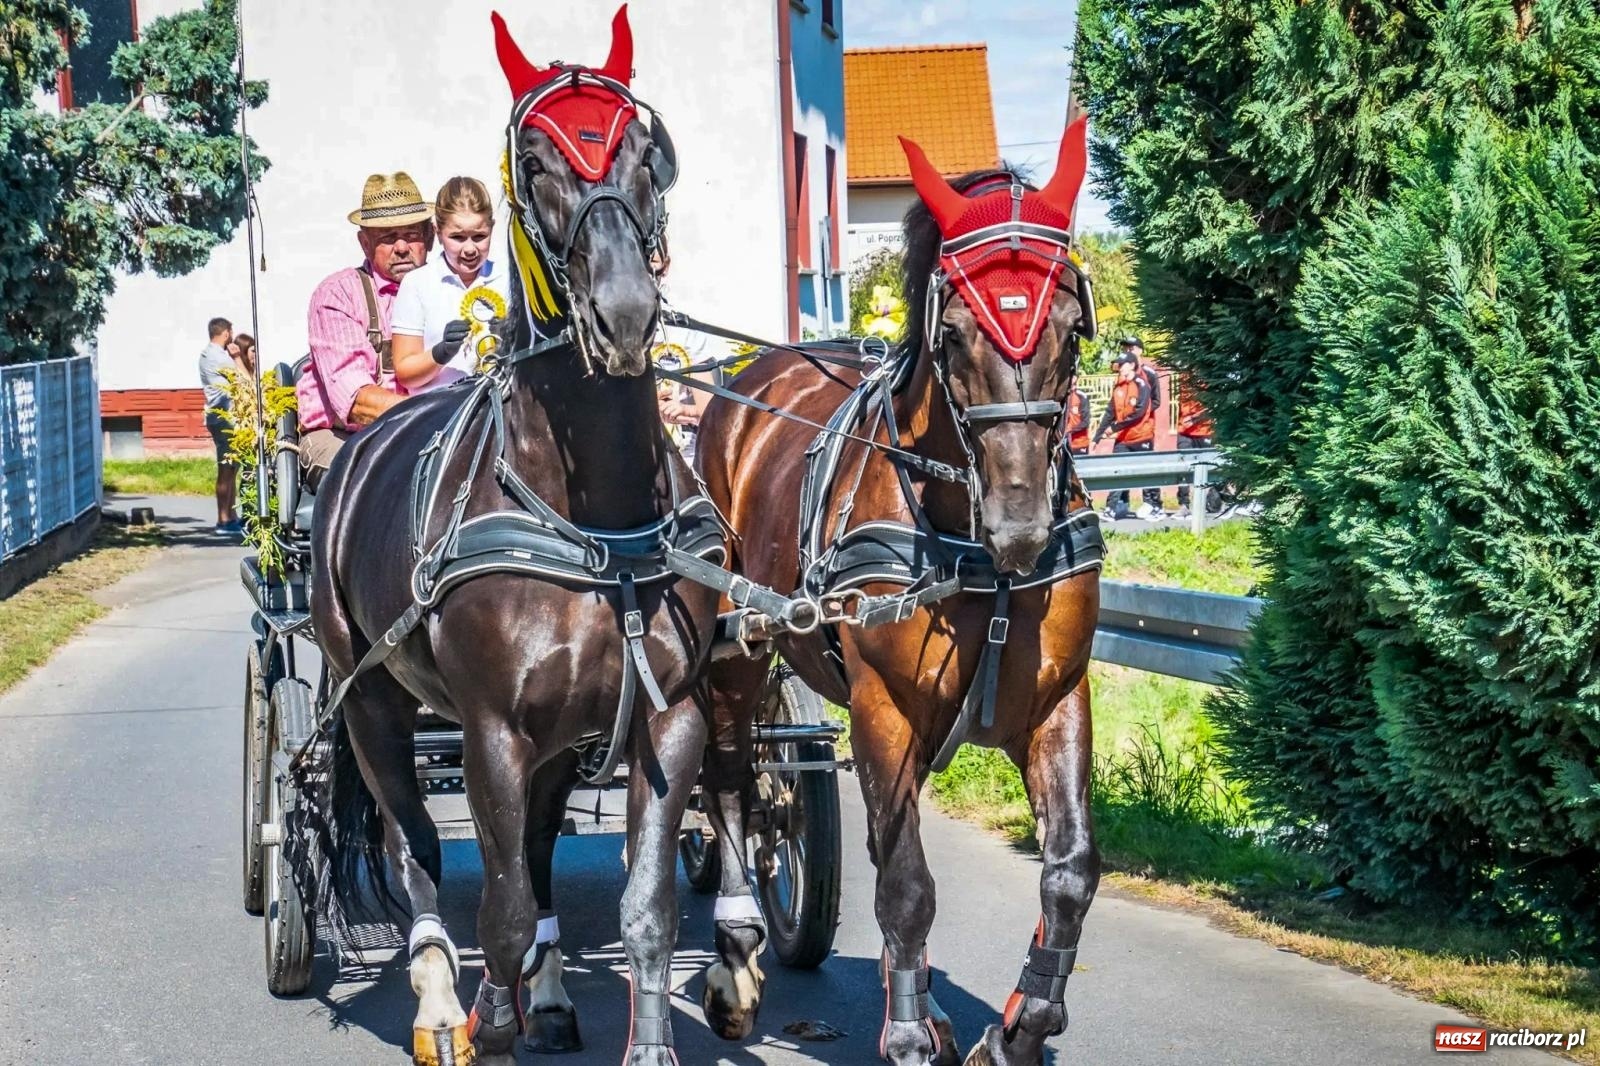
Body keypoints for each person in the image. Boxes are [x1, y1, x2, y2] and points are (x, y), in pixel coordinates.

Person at [297, 172, 435, 490]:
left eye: (411, 234)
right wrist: (438, 415)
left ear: (430, 236)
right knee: (375, 487)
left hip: (434, 432)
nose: (401, 247)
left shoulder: (452, 292)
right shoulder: (338, 294)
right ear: (365, 242)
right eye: (387, 237)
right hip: (344, 436)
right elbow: (357, 403)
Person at [392, 177, 510, 393]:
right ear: (437, 233)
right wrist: (441, 352)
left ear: (492, 228)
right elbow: (406, 374)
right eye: (458, 237)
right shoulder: (417, 284)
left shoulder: (509, 276)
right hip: (440, 411)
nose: (470, 248)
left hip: (502, 401)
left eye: (479, 236)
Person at [1092, 351, 1157, 521]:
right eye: (1118, 364)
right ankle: (1112, 508)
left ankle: (1153, 506)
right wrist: (1096, 437)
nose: (1119, 367)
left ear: (1132, 366)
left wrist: (1114, 428)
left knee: (1145, 473)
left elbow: (1138, 413)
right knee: (1116, 471)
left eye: (1122, 364)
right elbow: (1109, 412)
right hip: (1123, 438)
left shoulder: (1142, 385)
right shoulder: (1118, 386)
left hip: (1141, 436)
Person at [199, 316, 242, 534]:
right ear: (226, 333)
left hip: (220, 416)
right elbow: (241, 377)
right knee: (226, 469)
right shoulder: (220, 358)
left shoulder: (207, 354)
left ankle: (231, 515)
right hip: (223, 417)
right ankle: (223, 519)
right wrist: (237, 356)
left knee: (231, 468)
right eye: (231, 332)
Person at [1120, 336, 1165, 516]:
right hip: (1124, 432)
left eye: (1132, 348)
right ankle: (1122, 502)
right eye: (1126, 348)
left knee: (1146, 466)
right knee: (1119, 466)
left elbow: (1156, 401)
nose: (1128, 351)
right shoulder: (1122, 374)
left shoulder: (1149, 373)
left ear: (1140, 350)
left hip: (1144, 430)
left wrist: (1140, 414)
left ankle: (1153, 503)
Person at [1174, 373, 1221, 518]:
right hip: (1185, 431)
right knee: (1183, 467)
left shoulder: (1209, 373)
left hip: (1205, 430)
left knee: (1211, 468)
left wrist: (1194, 418)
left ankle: (1214, 500)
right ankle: (1184, 505)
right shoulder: (1183, 377)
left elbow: (1215, 403)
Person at [1065, 385, 1092, 456]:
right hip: (1064, 443)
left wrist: (1070, 430)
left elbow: (1086, 422)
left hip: (1079, 443)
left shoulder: (1082, 396)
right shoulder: (1062, 396)